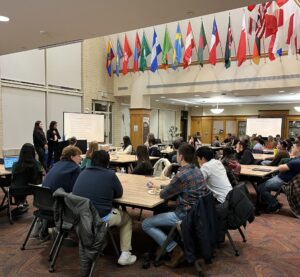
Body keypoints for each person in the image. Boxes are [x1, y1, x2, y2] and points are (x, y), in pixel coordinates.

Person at [142, 144, 207, 268]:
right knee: (162, 208)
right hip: (198, 213)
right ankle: (165, 242)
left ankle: (174, 249)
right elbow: (176, 187)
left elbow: (163, 195)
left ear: (181, 157)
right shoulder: (197, 170)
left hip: (184, 215)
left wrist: (160, 189)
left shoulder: (181, 174)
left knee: (146, 224)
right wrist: (160, 186)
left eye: (177, 154)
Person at [72, 150, 136, 266]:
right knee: (127, 219)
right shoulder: (110, 175)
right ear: (108, 163)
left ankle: (101, 243)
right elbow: (119, 194)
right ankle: (125, 255)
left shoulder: (83, 172)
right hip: (100, 218)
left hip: (80, 217)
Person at [258, 141, 300, 213]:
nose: (291, 148)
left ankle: (274, 204)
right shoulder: (296, 159)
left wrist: (282, 165)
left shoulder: (296, 162)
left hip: (283, 181)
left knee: (260, 188)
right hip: (286, 180)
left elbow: (280, 168)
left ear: (299, 148)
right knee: (262, 181)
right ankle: (267, 202)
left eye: (293, 147)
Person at [11, 143, 42, 208]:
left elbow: (12, 177)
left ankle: (20, 203)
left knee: (20, 183)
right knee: (25, 183)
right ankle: (22, 202)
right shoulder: (37, 164)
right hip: (33, 189)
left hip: (16, 190)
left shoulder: (15, 165)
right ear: (33, 152)